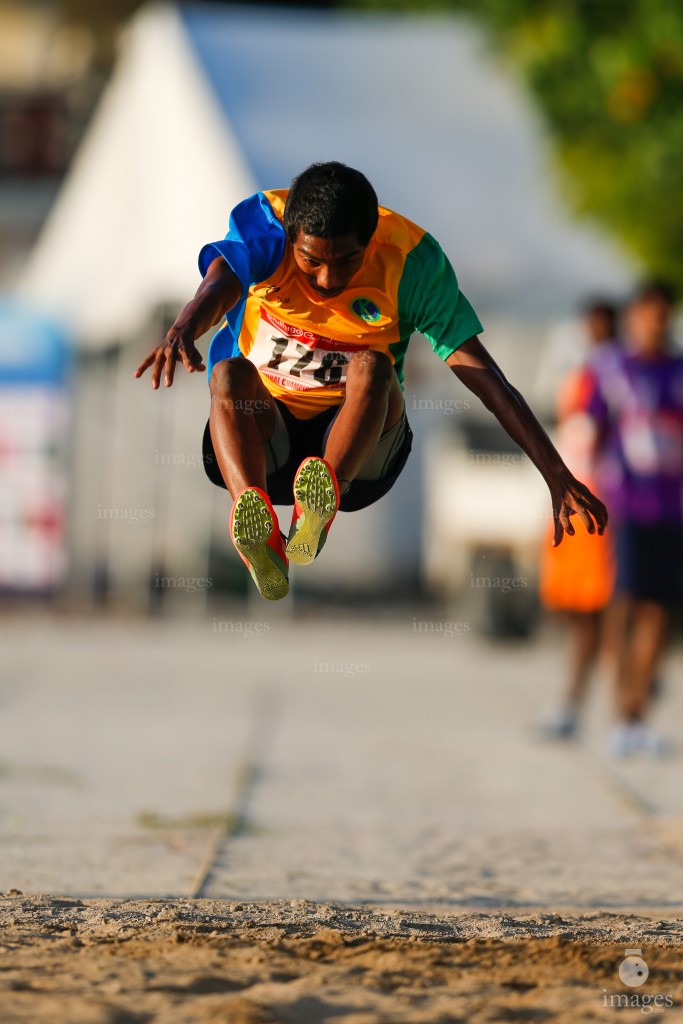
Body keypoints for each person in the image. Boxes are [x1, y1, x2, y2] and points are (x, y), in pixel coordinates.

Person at [135, 161, 607, 600]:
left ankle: (315, 511)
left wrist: (555, 472)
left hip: (358, 457)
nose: (326, 279)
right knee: (230, 374)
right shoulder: (266, 225)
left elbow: (488, 380)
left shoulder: (413, 263)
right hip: (263, 440)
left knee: (372, 365)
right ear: (289, 236)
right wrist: (183, 328)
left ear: (371, 238)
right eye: (311, 260)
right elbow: (219, 284)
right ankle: (255, 524)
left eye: (346, 261)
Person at [583, 281, 683, 755]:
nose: (656, 323)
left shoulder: (679, 370)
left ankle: (639, 710)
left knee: (659, 607)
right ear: (635, 317)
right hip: (625, 503)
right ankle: (620, 707)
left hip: (673, 505)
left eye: (664, 315)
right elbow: (591, 429)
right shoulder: (613, 369)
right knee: (623, 601)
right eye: (649, 314)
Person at [538, 300, 618, 738]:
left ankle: (622, 708)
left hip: (602, 499)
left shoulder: (618, 378)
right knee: (575, 612)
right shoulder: (577, 376)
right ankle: (585, 703)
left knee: (604, 613)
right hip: (573, 498)